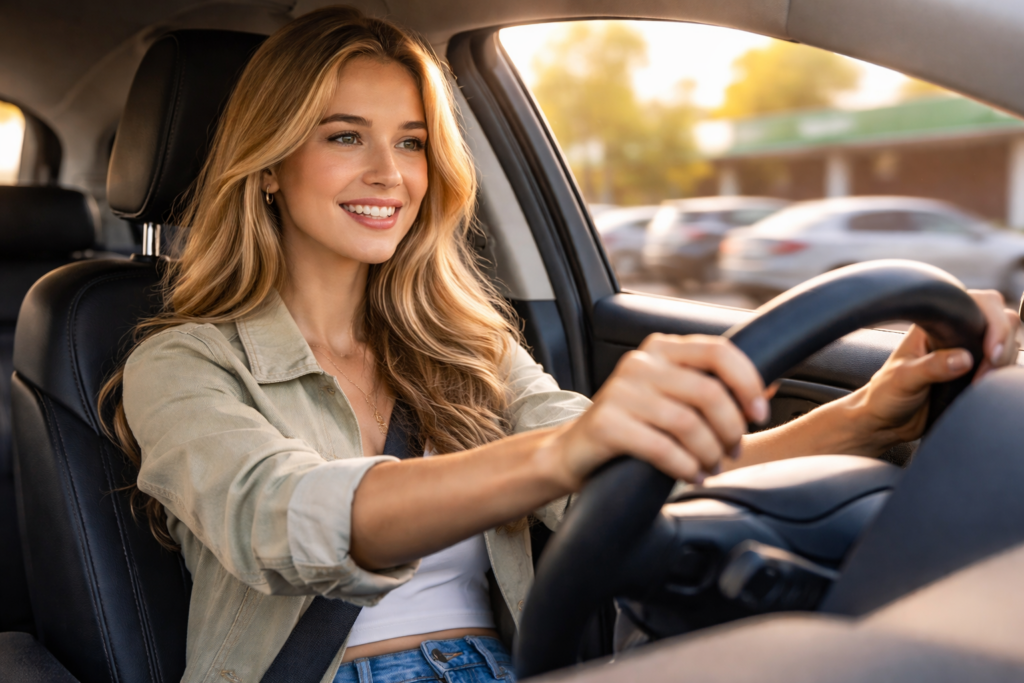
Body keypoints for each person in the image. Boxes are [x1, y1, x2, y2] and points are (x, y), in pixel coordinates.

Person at [100, 7, 1020, 683]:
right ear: (270, 166)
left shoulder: (463, 339)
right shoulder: (180, 364)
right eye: (345, 136)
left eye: (414, 142)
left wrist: (864, 419)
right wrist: (567, 447)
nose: (390, 173)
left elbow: (627, 475)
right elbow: (285, 517)